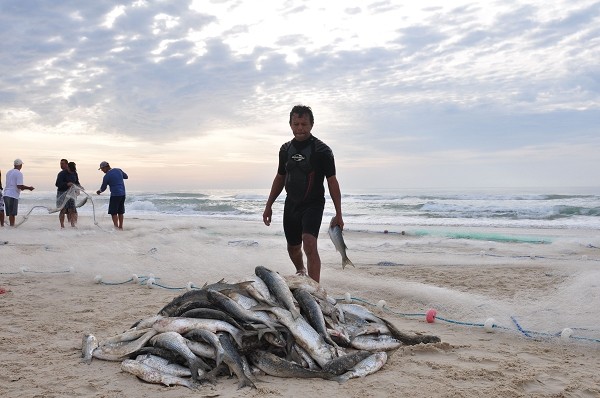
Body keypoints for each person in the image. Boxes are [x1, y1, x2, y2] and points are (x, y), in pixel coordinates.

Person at [263, 105, 345, 283]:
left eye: (304, 124)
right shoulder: (285, 150)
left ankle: (315, 289)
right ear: (290, 125)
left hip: (313, 204)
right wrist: (268, 206)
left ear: (312, 125)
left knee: (309, 243)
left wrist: (339, 214)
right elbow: (280, 177)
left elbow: (332, 182)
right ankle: (300, 270)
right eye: (296, 123)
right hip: (291, 204)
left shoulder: (322, 151)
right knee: (293, 248)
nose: (300, 128)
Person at [96, 161, 128, 230]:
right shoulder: (118, 170)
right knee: (120, 211)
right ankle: (121, 227)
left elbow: (103, 188)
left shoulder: (107, 176)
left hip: (115, 195)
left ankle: (116, 227)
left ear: (106, 167)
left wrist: (99, 191)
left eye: (102, 169)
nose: (102, 170)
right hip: (123, 194)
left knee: (113, 212)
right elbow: (126, 176)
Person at [3, 159, 35, 227]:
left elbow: (13, 184)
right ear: (20, 165)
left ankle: (10, 227)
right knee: (12, 213)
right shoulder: (19, 173)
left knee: (10, 214)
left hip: (6, 194)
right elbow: (19, 186)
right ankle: (12, 227)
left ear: (14, 165)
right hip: (13, 195)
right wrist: (29, 188)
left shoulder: (8, 172)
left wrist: (22, 188)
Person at [64, 161, 82, 227]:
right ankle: (71, 223)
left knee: (73, 208)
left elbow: (77, 182)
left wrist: (80, 187)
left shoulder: (75, 173)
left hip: (73, 193)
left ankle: (74, 223)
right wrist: (67, 184)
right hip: (65, 193)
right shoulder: (64, 173)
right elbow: (59, 183)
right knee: (68, 209)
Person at [55, 158, 70, 228]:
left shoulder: (71, 173)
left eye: (63, 164)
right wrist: (66, 184)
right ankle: (62, 226)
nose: (61, 165)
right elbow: (57, 184)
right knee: (62, 210)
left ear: (67, 164)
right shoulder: (60, 174)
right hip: (61, 193)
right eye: (60, 164)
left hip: (69, 193)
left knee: (70, 210)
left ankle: (71, 224)